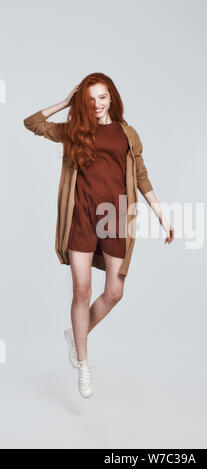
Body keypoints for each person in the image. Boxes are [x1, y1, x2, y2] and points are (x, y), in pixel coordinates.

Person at [23, 73, 175, 398]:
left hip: (116, 218)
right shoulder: (74, 131)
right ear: (84, 102)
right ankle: (83, 361)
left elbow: (142, 177)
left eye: (102, 97)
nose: (97, 104)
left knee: (115, 292)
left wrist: (162, 215)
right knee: (81, 291)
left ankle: (75, 335)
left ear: (112, 98)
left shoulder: (127, 134)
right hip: (82, 217)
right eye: (90, 99)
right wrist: (66, 101)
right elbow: (32, 122)